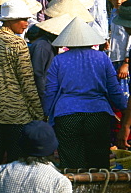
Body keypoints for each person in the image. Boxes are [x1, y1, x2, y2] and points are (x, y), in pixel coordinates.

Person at [44, 18, 127, 169]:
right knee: (99, 162)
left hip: (66, 114)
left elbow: (50, 91)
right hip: (98, 114)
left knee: (71, 162)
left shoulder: (59, 60)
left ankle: (74, 191)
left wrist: (46, 114)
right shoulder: (102, 58)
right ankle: (98, 191)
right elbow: (114, 90)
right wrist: (124, 111)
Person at [0, 0, 44, 169]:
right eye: (23, 20)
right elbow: (26, 81)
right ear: (10, 20)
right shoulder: (17, 44)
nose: (26, 24)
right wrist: (38, 112)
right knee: (15, 164)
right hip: (15, 114)